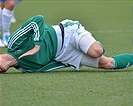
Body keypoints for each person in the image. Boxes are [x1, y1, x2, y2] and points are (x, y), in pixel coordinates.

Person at [0, 15, 133, 73]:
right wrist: (68, 61)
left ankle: (95, 43)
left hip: (68, 33)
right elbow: (49, 65)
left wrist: (37, 45)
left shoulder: (13, 43)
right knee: (109, 64)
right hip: (65, 55)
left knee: (96, 51)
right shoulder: (26, 68)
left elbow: (37, 20)